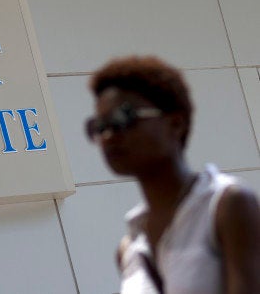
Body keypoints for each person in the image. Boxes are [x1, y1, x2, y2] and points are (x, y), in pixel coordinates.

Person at [85, 56, 260, 294]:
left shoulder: (226, 205)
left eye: (123, 118)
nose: (108, 136)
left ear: (175, 123)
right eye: (99, 126)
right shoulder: (130, 247)